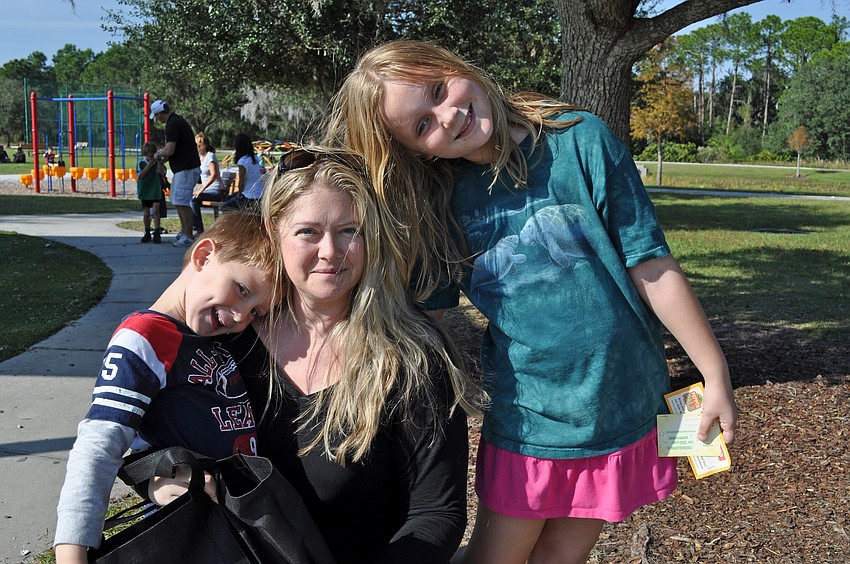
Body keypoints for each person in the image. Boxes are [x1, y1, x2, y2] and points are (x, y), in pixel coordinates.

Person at [325, 39, 739, 564]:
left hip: (624, 405)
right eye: (423, 125)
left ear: (457, 65)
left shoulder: (581, 141)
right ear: (414, 151)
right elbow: (425, 318)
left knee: (563, 555)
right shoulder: (439, 205)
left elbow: (651, 264)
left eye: (438, 89)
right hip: (532, 420)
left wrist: (714, 372)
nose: (448, 116)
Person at [220, 147, 488, 563]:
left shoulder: (411, 355)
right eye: (308, 231)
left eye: (350, 230)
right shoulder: (229, 341)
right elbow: (151, 439)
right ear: (275, 232)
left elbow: (436, 514)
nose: (331, 251)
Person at [53, 211, 277, 564]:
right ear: (203, 256)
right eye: (242, 290)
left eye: (255, 311)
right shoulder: (145, 337)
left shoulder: (213, 337)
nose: (240, 318)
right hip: (186, 534)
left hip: (238, 524)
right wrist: (72, 552)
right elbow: (98, 445)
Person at [149, 99, 202, 247]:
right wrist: (163, 159)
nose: (158, 119)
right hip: (184, 169)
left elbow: (169, 150)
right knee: (179, 201)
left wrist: (157, 155)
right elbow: (174, 151)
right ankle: (184, 232)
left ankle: (189, 236)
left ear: (160, 114)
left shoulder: (172, 125)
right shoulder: (176, 121)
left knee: (183, 203)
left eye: (157, 116)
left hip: (186, 169)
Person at [190, 132, 223, 235]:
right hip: (208, 190)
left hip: (216, 190)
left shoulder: (210, 156)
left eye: (198, 145)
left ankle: (199, 229)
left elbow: (213, 175)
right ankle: (192, 227)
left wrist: (201, 190)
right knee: (189, 199)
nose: (196, 148)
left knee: (193, 200)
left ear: (203, 145)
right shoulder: (201, 158)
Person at [221, 133, 264, 211]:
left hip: (248, 196)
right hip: (258, 193)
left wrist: (239, 194)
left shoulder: (243, 161)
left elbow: (241, 181)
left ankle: (233, 222)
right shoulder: (255, 158)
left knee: (225, 207)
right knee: (230, 198)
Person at [136, 142, 165, 244]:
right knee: (146, 213)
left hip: (155, 190)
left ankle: (157, 232)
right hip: (145, 191)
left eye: (152, 154)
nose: (150, 157)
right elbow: (139, 176)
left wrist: (159, 163)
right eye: (148, 154)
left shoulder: (157, 163)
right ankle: (147, 231)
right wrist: (148, 166)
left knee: (156, 211)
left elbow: (162, 173)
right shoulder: (141, 163)